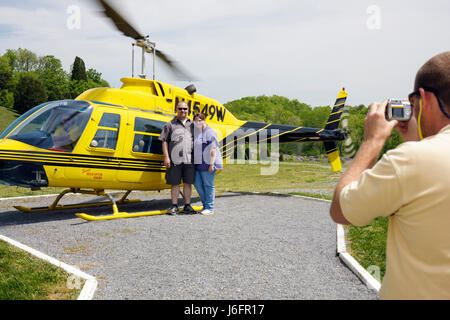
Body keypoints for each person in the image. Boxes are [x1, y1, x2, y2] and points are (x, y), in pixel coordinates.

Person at [330, 51, 450, 299]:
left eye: (412, 102)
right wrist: (418, 142)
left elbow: (341, 210)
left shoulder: (410, 160)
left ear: (424, 98)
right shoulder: (417, 158)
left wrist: (372, 142)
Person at [159, 101, 196, 215]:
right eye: (180, 108)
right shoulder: (170, 124)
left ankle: (187, 205)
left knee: (187, 183)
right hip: (174, 159)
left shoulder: (193, 124)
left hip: (189, 158)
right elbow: (164, 141)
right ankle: (174, 205)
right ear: (176, 109)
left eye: (185, 109)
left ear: (188, 110)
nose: (182, 111)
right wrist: (166, 157)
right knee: (174, 183)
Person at [192, 112, 223, 215]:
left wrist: (211, 164)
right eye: (195, 121)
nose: (197, 122)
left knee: (208, 184)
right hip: (198, 163)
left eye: (199, 120)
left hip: (208, 162)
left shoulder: (209, 132)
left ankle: (210, 208)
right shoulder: (197, 132)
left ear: (204, 121)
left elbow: (213, 149)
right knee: (197, 183)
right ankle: (205, 205)